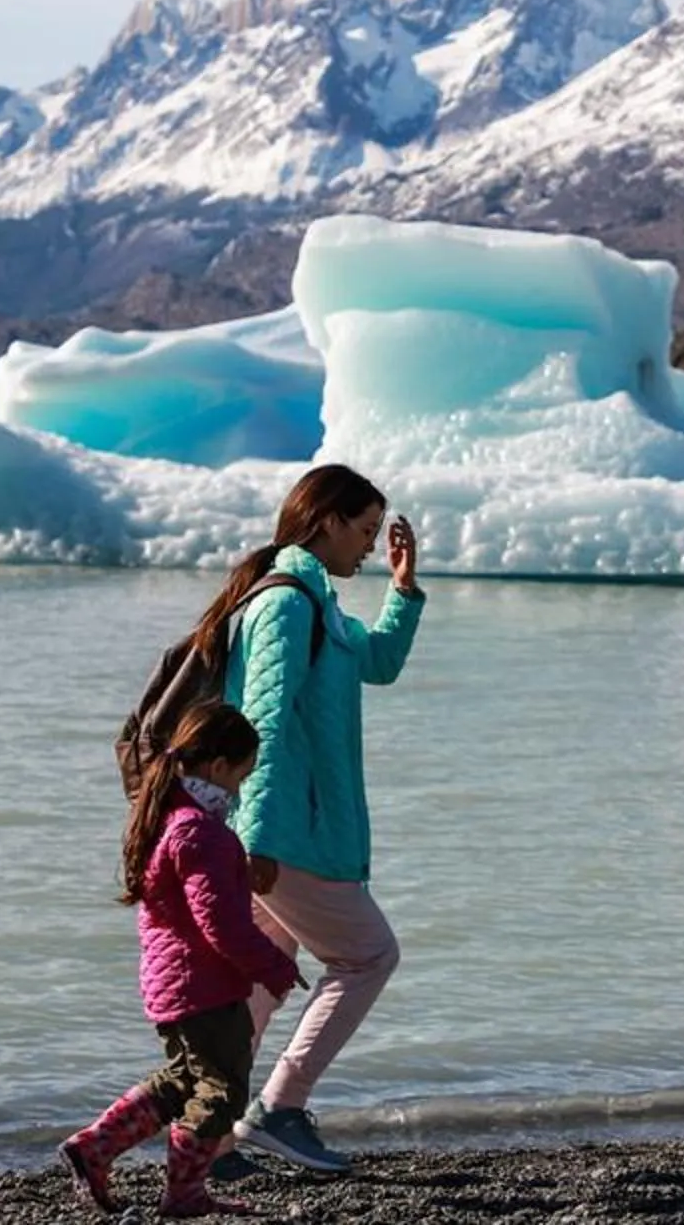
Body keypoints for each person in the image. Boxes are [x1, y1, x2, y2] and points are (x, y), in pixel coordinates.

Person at [212, 465, 426, 1175]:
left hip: (288, 828)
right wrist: (257, 838)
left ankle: (208, 1139)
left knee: (260, 984)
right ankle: (279, 1108)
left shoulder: (320, 606)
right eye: (364, 530)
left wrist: (403, 588)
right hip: (285, 831)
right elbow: (263, 725)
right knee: (368, 956)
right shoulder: (287, 605)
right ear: (327, 521)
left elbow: (380, 662)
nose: (368, 545)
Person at [58, 701, 303, 1218]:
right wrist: (275, 967)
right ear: (217, 766)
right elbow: (222, 924)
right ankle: (184, 1192)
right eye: (240, 777)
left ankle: (95, 1147)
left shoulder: (167, 816)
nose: (238, 792)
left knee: (184, 1079)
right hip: (203, 987)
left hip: (175, 983)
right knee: (222, 1091)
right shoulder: (199, 832)